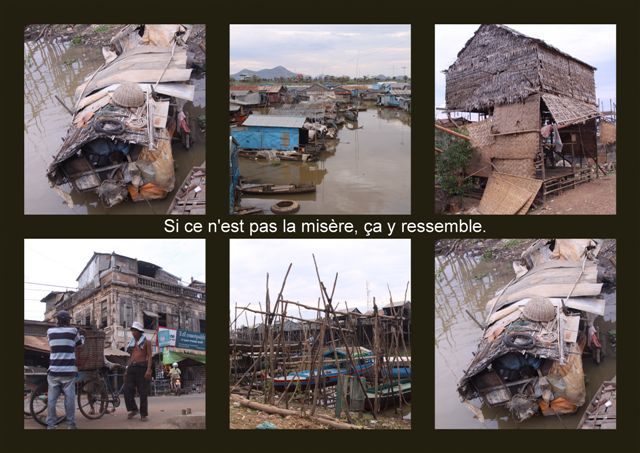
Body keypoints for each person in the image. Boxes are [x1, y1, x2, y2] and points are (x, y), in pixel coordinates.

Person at [46, 310, 84, 429]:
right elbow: (80, 343)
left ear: (57, 320)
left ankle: (51, 425)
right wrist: (82, 335)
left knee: (52, 399)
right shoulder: (73, 331)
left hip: (53, 371)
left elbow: (51, 343)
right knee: (70, 399)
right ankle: (71, 425)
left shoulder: (50, 331)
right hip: (68, 371)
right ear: (68, 321)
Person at [123, 321, 152, 421]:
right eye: (132, 330)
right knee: (127, 389)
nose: (133, 333)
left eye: (134, 331)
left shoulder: (147, 342)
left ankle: (143, 414)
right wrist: (127, 368)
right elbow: (131, 357)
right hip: (132, 367)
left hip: (142, 367)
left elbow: (149, 356)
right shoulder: (132, 343)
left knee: (143, 392)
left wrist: (148, 369)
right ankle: (134, 409)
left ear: (140, 332)